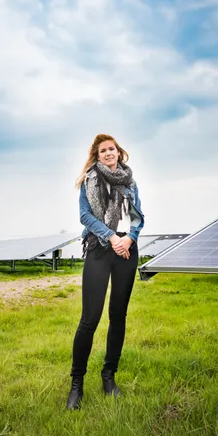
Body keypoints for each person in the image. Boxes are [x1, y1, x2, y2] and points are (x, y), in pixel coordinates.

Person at [66, 133, 145, 410]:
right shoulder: (89, 181)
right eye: (103, 151)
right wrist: (112, 237)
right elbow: (85, 216)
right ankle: (77, 385)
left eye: (112, 149)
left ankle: (109, 377)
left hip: (127, 250)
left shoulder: (130, 182)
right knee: (89, 319)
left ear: (118, 152)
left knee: (118, 316)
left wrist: (130, 238)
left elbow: (138, 217)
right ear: (97, 156)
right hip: (100, 247)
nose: (109, 153)